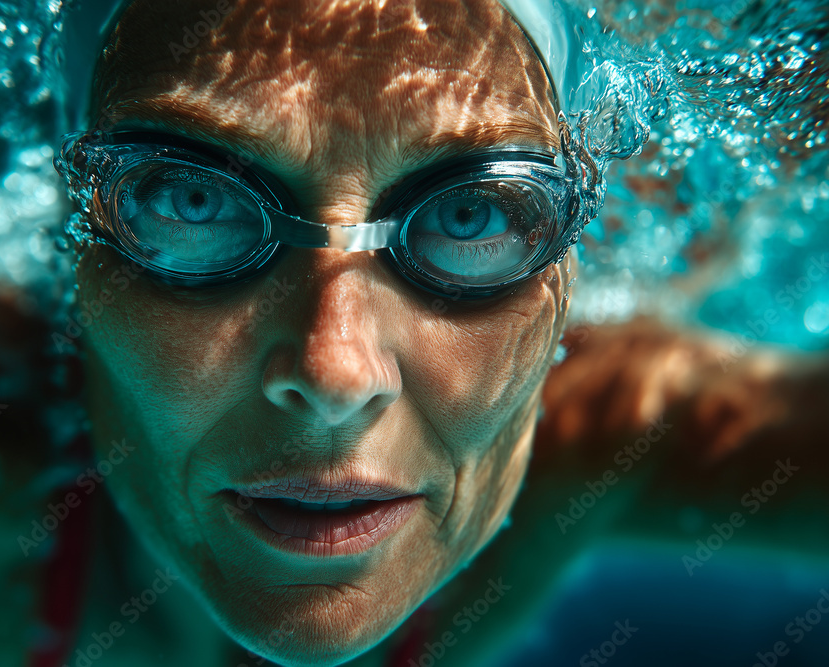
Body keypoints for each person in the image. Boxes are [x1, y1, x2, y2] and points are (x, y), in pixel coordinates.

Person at [50, 1, 829, 666]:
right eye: (190, 200)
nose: (335, 373)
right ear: (77, 242)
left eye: (473, 214)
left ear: (566, 274)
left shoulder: (604, 422)